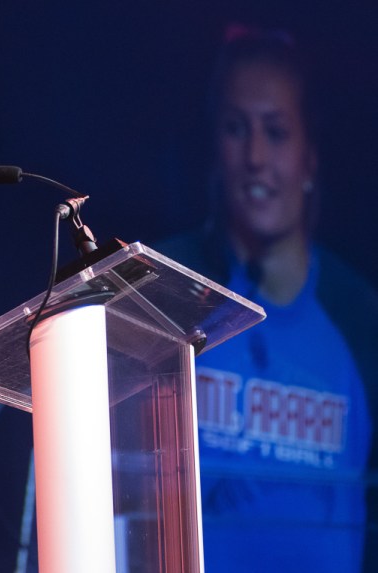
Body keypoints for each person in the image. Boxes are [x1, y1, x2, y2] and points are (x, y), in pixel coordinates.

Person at [157, 25, 378, 573]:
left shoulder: (361, 320)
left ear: (310, 157)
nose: (255, 156)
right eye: (236, 129)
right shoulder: (159, 291)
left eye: (276, 132)